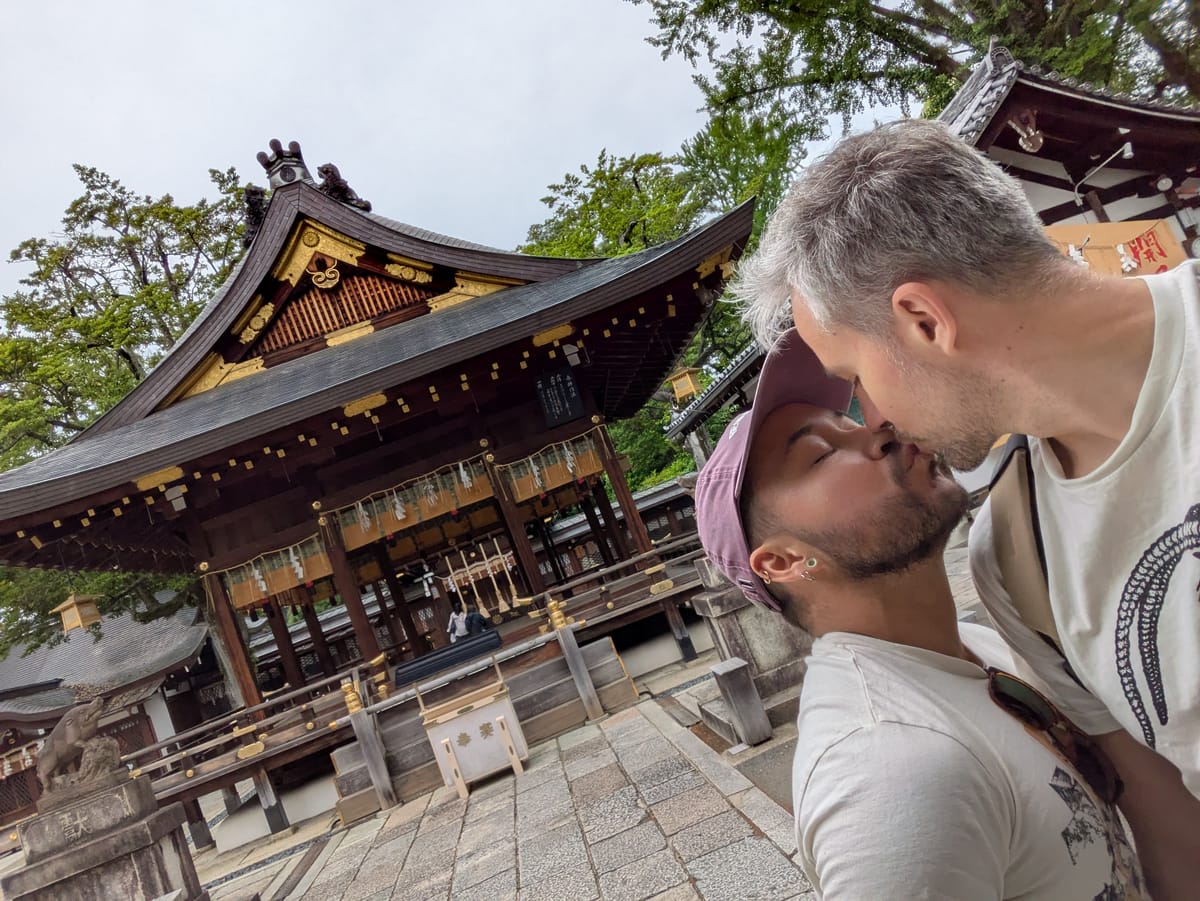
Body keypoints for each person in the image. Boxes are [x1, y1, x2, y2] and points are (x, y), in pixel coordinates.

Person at [734, 118, 1200, 892]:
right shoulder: (1017, 560)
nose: (873, 420)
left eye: (855, 377)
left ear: (925, 321)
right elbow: (1168, 815)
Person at [695, 330, 1146, 899]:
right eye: (821, 453)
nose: (879, 432)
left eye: (853, 422)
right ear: (784, 562)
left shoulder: (979, 645)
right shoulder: (885, 770)